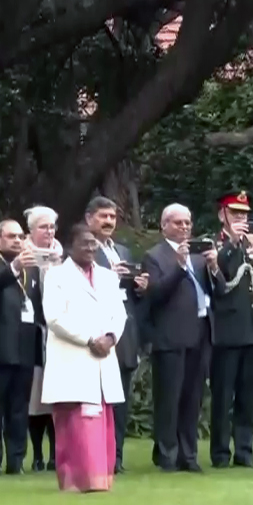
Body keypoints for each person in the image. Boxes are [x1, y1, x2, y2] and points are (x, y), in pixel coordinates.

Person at [41, 224, 128, 493]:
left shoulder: (107, 276)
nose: (91, 248)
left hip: (104, 357)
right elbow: (54, 318)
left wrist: (111, 337)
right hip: (74, 356)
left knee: (100, 419)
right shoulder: (55, 275)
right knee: (76, 422)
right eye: (84, 243)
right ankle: (75, 480)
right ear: (70, 246)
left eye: (94, 244)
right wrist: (90, 339)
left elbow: (120, 314)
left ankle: (101, 479)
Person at [208, 190, 253, 468]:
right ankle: (219, 453)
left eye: (244, 215)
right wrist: (233, 242)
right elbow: (222, 274)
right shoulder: (216, 244)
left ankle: (244, 451)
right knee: (224, 396)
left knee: (248, 397)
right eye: (236, 214)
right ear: (223, 215)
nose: (241, 219)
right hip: (227, 333)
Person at [142, 203, 214, 472]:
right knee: (169, 400)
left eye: (187, 223)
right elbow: (156, 294)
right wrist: (179, 267)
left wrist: (214, 266)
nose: (184, 227)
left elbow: (211, 291)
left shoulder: (198, 256)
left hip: (198, 335)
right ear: (164, 226)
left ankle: (189, 454)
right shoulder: (154, 256)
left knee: (192, 398)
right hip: (170, 337)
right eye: (178, 223)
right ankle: (167, 454)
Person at [0, 219, 45, 475]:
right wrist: (13, 268)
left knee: (19, 410)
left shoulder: (31, 269)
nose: (16, 240)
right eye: (11, 236)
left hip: (23, 348)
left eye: (20, 236)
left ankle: (16, 461)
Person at [87, 196, 149, 474]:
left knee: (121, 397)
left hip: (125, 332)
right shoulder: (85, 251)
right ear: (90, 219)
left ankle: (117, 456)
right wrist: (108, 275)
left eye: (112, 217)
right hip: (97, 334)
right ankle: (95, 456)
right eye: (103, 217)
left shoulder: (122, 249)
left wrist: (140, 285)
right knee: (96, 399)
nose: (109, 222)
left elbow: (129, 298)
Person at [24, 205, 63, 471]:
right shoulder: (22, 256)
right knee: (35, 399)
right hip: (31, 335)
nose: (48, 232)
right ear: (31, 230)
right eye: (43, 227)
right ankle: (36, 454)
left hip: (57, 336)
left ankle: (54, 455)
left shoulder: (62, 258)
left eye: (51, 227)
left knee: (56, 398)